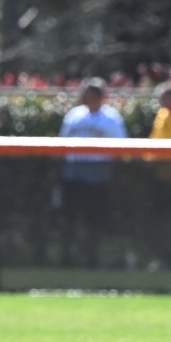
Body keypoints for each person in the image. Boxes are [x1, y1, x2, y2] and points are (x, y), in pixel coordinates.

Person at [57, 77, 127, 264]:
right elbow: (62, 142)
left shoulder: (111, 118)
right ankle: (67, 257)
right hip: (74, 171)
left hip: (98, 172)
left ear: (100, 96)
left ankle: (92, 257)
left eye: (89, 93)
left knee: (94, 218)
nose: (84, 96)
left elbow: (122, 147)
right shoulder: (74, 115)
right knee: (69, 217)